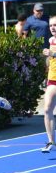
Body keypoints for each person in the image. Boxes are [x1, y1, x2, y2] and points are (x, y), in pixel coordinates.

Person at [41, 16, 56, 153]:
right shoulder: (51, 40)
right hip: (53, 80)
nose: (53, 27)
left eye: (55, 25)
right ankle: (51, 141)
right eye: (51, 25)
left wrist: (53, 53)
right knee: (47, 110)